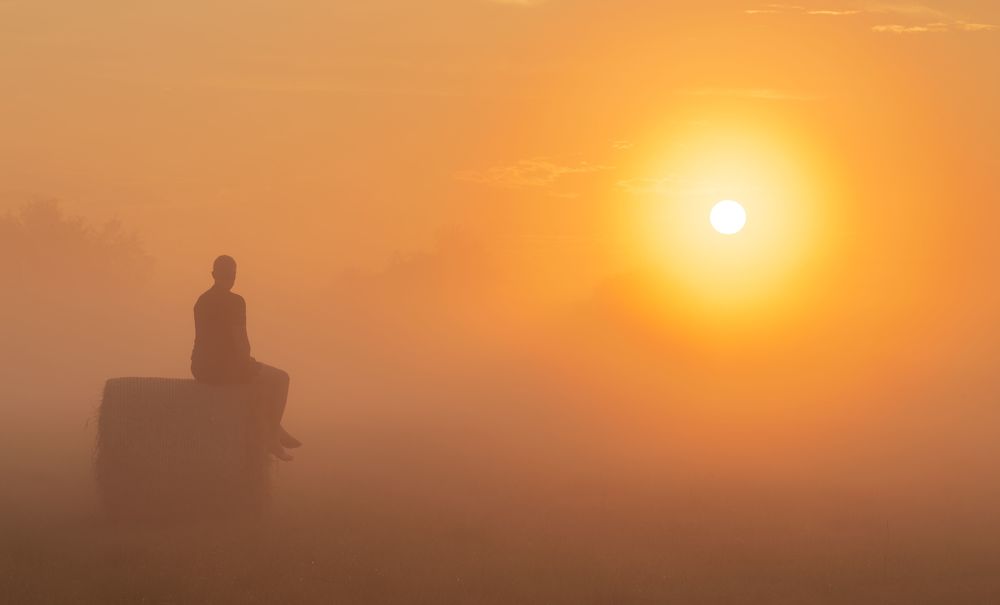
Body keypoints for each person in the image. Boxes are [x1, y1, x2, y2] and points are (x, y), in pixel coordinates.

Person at [191, 255, 301, 461]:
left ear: (214, 275)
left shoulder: (202, 301)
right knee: (280, 378)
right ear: (234, 276)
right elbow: (240, 338)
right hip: (226, 368)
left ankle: (275, 429)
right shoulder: (236, 301)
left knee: (259, 380)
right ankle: (271, 437)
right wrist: (248, 362)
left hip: (201, 368)